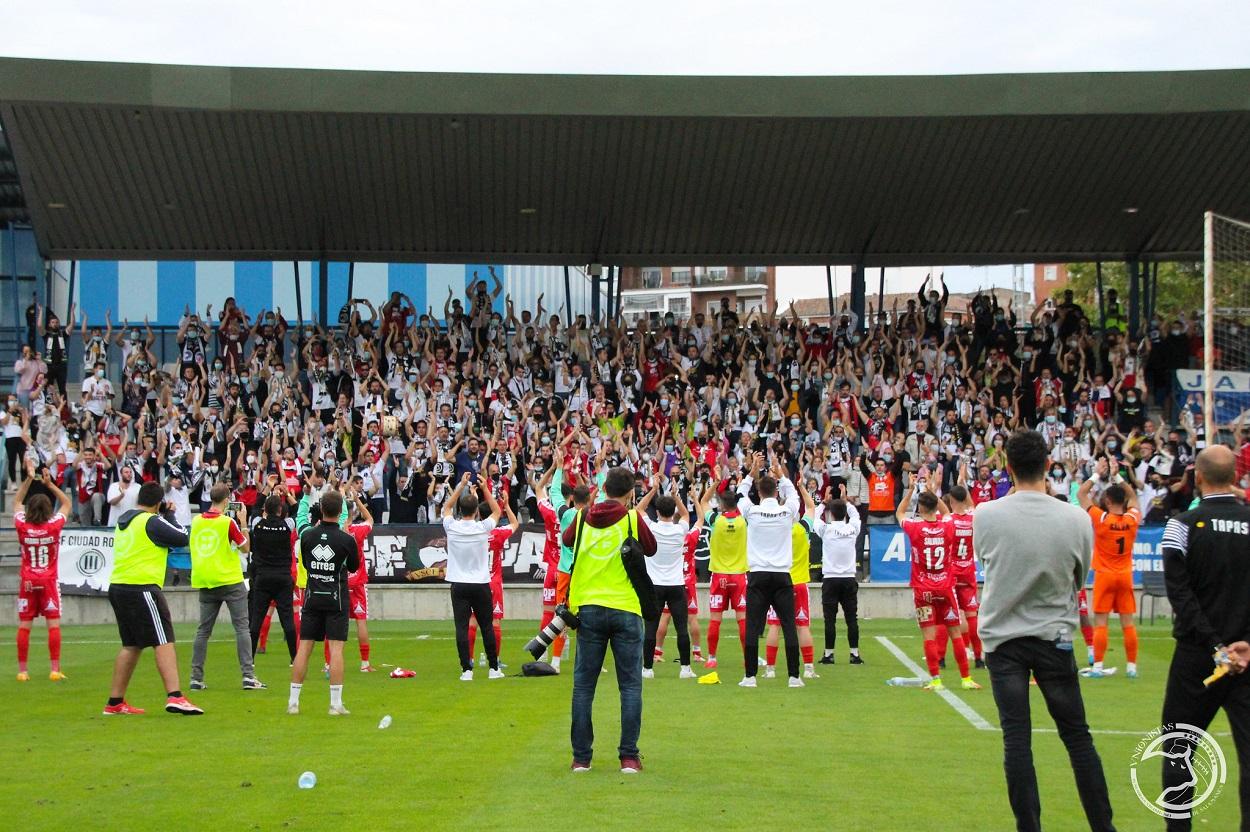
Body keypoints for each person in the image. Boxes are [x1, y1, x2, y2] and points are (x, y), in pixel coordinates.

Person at [975, 430, 1115, 832]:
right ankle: (1103, 826)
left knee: (1017, 740)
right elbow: (1078, 576)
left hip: (1004, 641)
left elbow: (988, 559)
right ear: (1047, 465)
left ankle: (1029, 827)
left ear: (1009, 467)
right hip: (1053, 636)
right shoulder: (1075, 517)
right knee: (1077, 737)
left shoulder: (987, 514)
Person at [1160, 444, 1250, 831]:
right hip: (1246, 657)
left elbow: (1180, 595)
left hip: (1198, 656)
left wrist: (1215, 645)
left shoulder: (1180, 525)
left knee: (1178, 751)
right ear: (1236, 478)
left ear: (1197, 477)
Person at [562, 466, 657, 773]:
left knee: (583, 687)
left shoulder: (581, 517)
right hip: (626, 607)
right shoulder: (631, 517)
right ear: (630, 494)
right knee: (630, 686)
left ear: (602, 489)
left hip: (588, 607)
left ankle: (581, 758)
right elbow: (651, 548)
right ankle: (628, 757)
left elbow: (566, 541)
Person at [105, 481, 203, 715]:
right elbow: (181, 537)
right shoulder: (151, 520)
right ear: (158, 503)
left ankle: (115, 701)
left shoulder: (124, 522)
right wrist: (169, 514)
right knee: (164, 639)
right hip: (142, 587)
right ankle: (175, 696)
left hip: (119, 585)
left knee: (131, 644)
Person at [896, 474, 979, 691]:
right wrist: (933, 493)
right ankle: (966, 679)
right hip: (945, 586)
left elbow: (900, 513)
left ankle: (936, 680)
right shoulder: (947, 526)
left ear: (921, 509)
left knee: (929, 636)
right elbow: (946, 512)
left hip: (923, 589)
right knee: (955, 633)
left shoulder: (915, 528)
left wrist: (911, 490)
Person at [289, 490, 359, 716]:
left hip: (312, 597)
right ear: (340, 512)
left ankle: (293, 702)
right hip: (336, 599)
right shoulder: (346, 539)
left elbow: (307, 564)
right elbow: (354, 567)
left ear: (320, 510)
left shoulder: (308, 535)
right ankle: (335, 704)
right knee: (336, 649)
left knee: (305, 647)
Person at [735, 453, 802, 688]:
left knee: (753, 626)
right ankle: (794, 676)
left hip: (758, 575)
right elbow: (794, 496)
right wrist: (782, 474)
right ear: (776, 492)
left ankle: (750, 676)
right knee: (788, 626)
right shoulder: (786, 512)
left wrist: (753, 470)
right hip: (782, 575)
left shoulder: (752, 512)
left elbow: (739, 494)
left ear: (760, 493)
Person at [188, 483, 262, 691]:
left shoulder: (196, 521)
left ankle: (196, 677)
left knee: (203, 631)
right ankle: (248, 675)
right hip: (229, 579)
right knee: (241, 627)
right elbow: (246, 547)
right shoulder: (227, 522)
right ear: (227, 500)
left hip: (205, 578)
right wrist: (244, 522)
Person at [1077, 458, 1141, 679]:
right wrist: (1118, 476)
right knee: (1128, 622)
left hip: (1105, 575)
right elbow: (1133, 496)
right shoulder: (1132, 519)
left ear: (1107, 499)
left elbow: (1081, 494)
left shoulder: (1102, 518)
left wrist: (1097, 474)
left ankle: (1098, 667)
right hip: (1125, 575)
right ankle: (1131, 667)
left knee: (1101, 623)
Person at [442, 473, 504, 681]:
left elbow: (446, 508)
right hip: (480, 584)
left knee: (461, 627)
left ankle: (466, 670)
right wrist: (485, 488)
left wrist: (460, 485)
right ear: (477, 510)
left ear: (461, 510)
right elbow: (496, 510)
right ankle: (493, 668)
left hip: (459, 584)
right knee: (486, 625)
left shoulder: (451, 526)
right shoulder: (482, 527)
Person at [638, 481, 703, 680]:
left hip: (655, 586)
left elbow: (639, 508)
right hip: (676, 585)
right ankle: (685, 668)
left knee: (650, 627)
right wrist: (676, 495)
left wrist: (653, 490)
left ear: (656, 512)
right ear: (672, 511)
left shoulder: (650, 528)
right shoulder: (679, 530)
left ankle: (647, 669)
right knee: (681, 627)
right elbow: (688, 516)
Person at [13, 471, 71, 681]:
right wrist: (50, 484)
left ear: (29, 510)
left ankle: (22, 671)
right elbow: (66, 504)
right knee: (53, 625)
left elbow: (17, 500)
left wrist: (29, 479)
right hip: (48, 581)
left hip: (28, 581)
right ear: (48, 509)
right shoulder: (53, 526)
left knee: (24, 626)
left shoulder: (22, 526)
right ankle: (54, 669)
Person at [763, 479, 818, 680]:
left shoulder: (776, 529)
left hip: (779, 582)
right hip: (799, 582)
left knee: (775, 625)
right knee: (802, 626)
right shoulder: (802, 529)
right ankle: (809, 669)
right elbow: (811, 507)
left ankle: (770, 669)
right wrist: (801, 487)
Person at [812, 484, 863, 665]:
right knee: (851, 618)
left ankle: (828, 654)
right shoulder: (852, 529)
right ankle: (855, 654)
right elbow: (856, 516)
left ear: (831, 514)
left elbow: (813, 517)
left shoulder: (826, 530)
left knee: (829, 619)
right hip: (849, 579)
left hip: (831, 579)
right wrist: (846, 499)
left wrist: (823, 503)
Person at [936, 484, 984, 670]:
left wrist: (932, 492)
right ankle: (979, 658)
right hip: (968, 571)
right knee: (972, 615)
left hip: (951, 572)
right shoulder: (974, 518)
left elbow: (941, 509)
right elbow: (971, 505)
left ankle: (940, 658)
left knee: (945, 615)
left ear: (951, 500)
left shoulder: (949, 520)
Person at [468, 497, 520, 666]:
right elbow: (515, 524)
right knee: (494, 622)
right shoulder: (497, 534)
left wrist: (474, 500)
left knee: (473, 620)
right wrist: (507, 506)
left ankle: (469, 659)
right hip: (493, 582)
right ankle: (495, 660)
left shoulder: (474, 532)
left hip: (476, 581)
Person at [248, 495, 299, 662]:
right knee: (288, 620)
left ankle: (251, 659)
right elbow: (297, 510)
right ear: (279, 510)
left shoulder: (257, 525)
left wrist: (266, 491)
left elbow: (254, 509)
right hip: (283, 578)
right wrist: (289, 495)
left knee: (256, 619)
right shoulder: (286, 526)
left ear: (265, 510)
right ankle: (294, 658)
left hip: (263, 578)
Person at [704, 483, 748, 670]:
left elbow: (703, 501)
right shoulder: (743, 521)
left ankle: (712, 657)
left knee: (715, 619)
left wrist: (714, 484)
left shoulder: (716, 520)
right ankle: (748, 657)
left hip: (719, 575)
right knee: (743, 619)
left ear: (722, 504)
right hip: (738, 575)